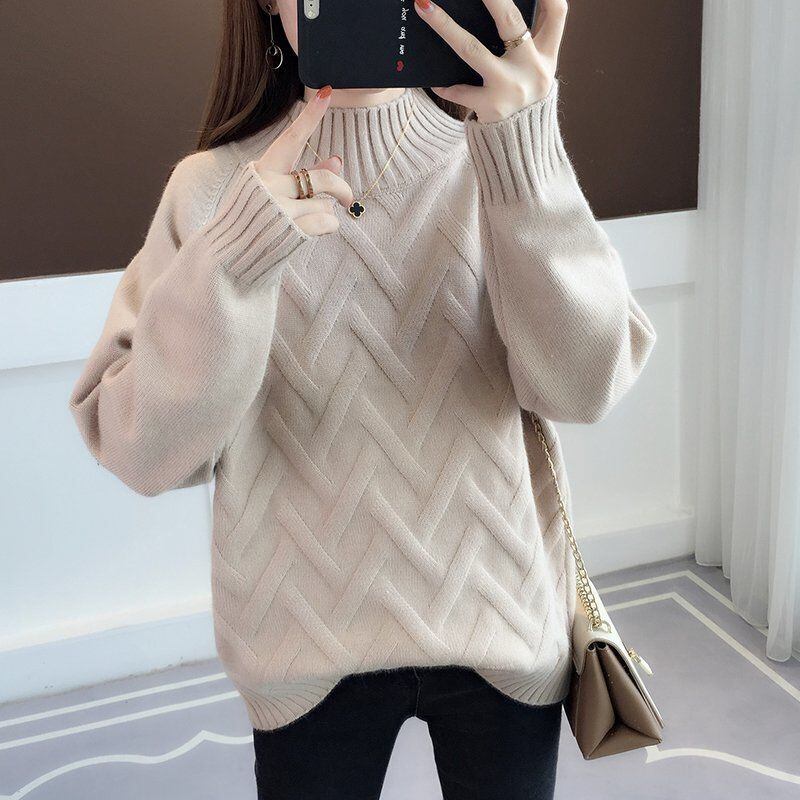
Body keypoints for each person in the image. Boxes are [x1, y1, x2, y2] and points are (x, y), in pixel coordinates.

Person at [68, 0, 656, 797]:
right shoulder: (211, 193)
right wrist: (233, 263)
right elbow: (144, 453)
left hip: (503, 622)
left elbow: (583, 388)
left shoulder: (498, 151)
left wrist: (527, 151)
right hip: (300, 649)